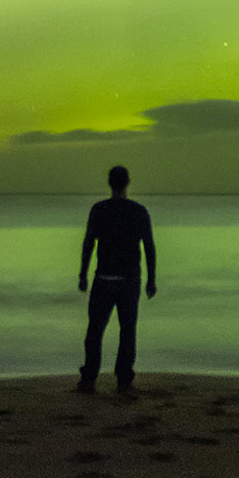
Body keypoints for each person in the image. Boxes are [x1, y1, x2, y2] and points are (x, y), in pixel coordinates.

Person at [76, 164, 157, 398]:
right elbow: (149, 247)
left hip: (104, 278)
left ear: (110, 183)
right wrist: (151, 279)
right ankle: (123, 381)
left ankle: (89, 378)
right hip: (129, 280)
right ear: (128, 182)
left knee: (95, 330)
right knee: (127, 330)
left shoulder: (99, 210)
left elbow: (89, 243)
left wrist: (82, 274)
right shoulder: (138, 211)